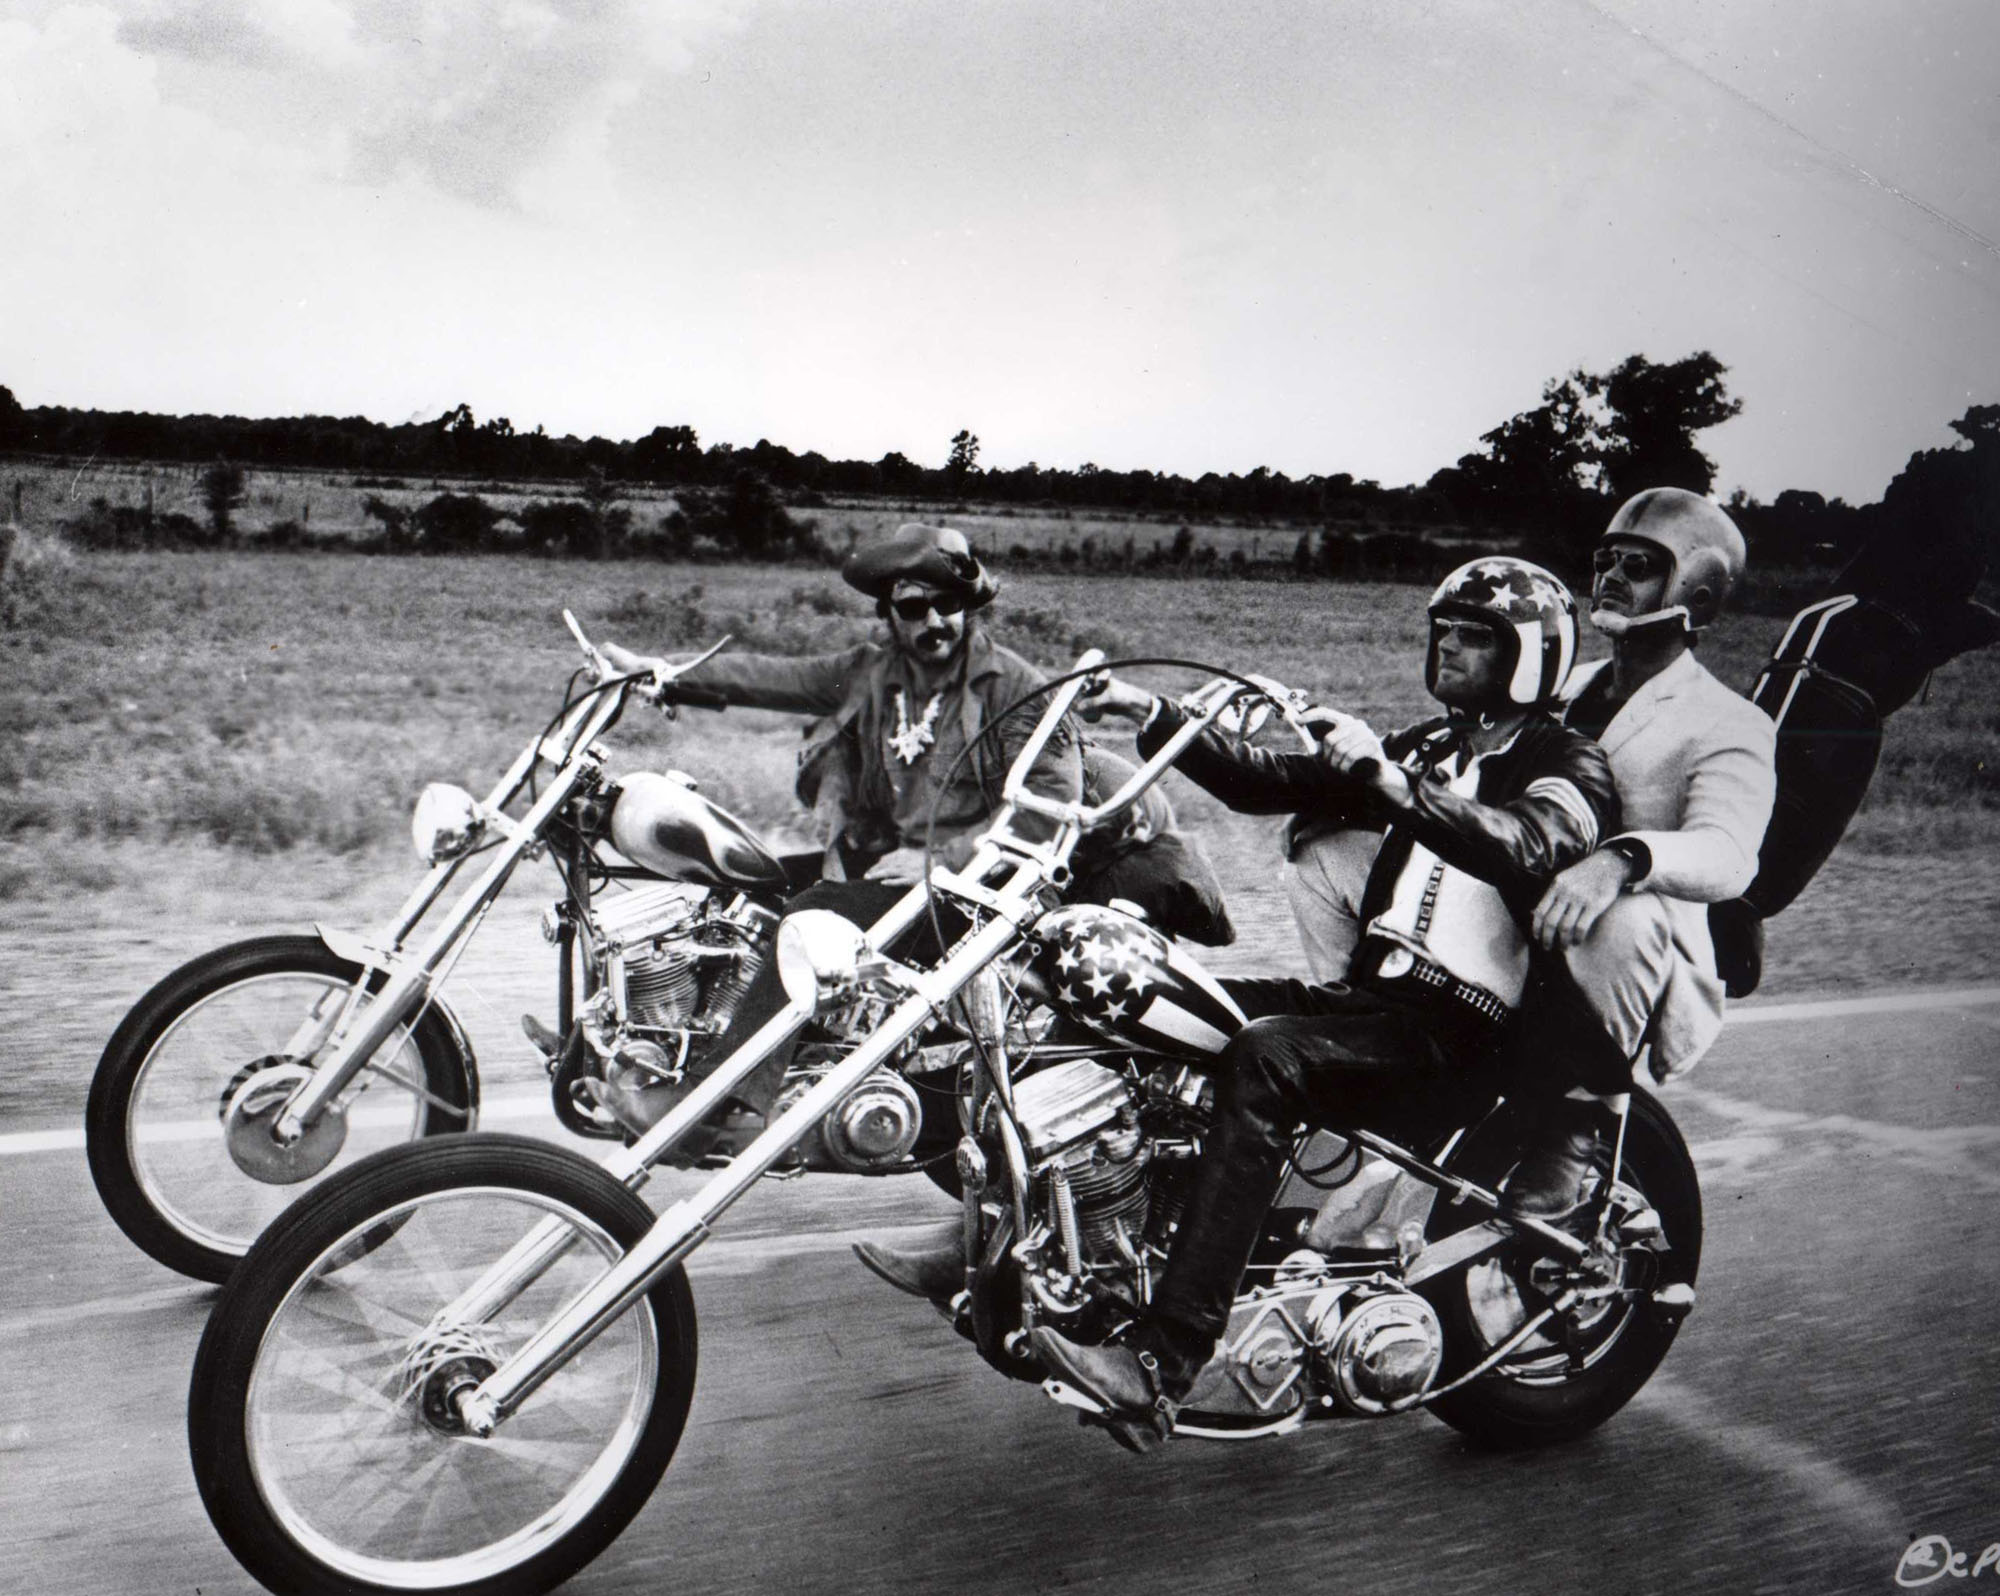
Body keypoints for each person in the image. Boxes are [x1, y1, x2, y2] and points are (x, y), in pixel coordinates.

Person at [859, 557, 1619, 1450]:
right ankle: (1001, 1238)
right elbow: (1265, 781)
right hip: (1373, 1000)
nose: (1449, 648)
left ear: (1529, 656)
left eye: (1475, 637)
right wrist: (1157, 716)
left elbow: (1533, 844)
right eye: (1443, 631)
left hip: (1466, 1035)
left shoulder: (1565, 761)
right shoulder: (1430, 750)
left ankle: (1161, 1365)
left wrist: (1388, 785)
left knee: (1265, 1055)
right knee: (1127, 1003)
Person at [599, 522, 1225, 1130]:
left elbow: (1045, 809)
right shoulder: (876, 672)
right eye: (914, 607)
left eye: (947, 604)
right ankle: (666, 1038)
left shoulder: (1014, 689)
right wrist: (662, 675)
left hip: (1001, 892)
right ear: (889, 615)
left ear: (969, 607)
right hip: (930, 873)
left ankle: (718, 1106)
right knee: (748, 881)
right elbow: (774, 678)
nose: (933, 621)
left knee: (814, 913)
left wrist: (944, 860)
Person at [1502, 489, 1777, 1215]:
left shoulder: (1729, 721)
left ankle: (1578, 1121)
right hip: (1530, 920)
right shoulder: (1561, 692)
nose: (1613, 578)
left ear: (1696, 589)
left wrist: (1621, 860)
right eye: (1607, 561)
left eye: (1641, 566)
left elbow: (1728, 854)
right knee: (1334, 846)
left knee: (1626, 913)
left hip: (1643, 953)